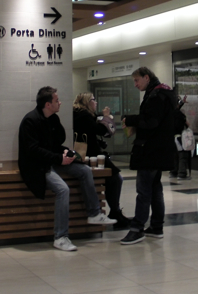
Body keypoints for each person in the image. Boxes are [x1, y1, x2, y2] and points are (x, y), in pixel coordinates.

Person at [18, 86, 116, 252]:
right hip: (37, 166)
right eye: (57, 100)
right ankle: (60, 237)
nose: (60, 103)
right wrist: (59, 158)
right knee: (63, 189)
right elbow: (33, 150)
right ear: (48, 104)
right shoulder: (30, 121)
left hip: (52, 160)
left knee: (85, 171)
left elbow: (56, 142)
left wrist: (65, 152)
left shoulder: (52, 119)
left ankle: (94, 214)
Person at [120, 67, 177, 245]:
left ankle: (137, 229)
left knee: (144, 190)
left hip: (150, 150)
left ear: (146, 77)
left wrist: (130, 120)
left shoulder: (156, 96)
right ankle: (156, 226)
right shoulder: (164, 93)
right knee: (155, 189)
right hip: (160, 150)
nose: (135, 84)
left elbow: (150, 122)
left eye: (137, 80)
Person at [73, 92, 130, 228]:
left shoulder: (77, 114)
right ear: (87, 102)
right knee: (115, 177)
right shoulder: (84, 115)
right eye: (93, 100)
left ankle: (115, 211)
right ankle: (115, 211)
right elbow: (99, 130)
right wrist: (106, 118)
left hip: (86, 154)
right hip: (92, 155)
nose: (96, 102)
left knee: (113, 179)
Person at [170, 95, 192, 181]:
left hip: (171, 138)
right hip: (179, 137)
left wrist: (182, 102)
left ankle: (173, 172)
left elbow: (177, 108)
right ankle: (182, 173)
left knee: (175, 155)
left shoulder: (169, 113)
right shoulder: (180, 114)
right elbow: (188, 124)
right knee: (183, 155)